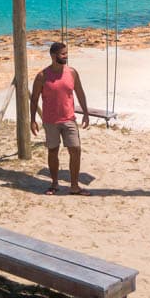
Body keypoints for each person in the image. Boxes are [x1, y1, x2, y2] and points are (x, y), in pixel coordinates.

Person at [30, 41, 91, 195]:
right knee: (53, 151)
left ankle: (75, 186)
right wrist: (32, 120)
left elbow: (80, 92)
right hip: (50, 121)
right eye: (63, 54)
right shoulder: (42, 76)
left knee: (75, 150)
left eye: (66, 53)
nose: (66, 56)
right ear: (53, 55)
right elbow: (34, 99)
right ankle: (54, 183)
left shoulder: (72, 72)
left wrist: (85, 113)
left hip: (69, 119)